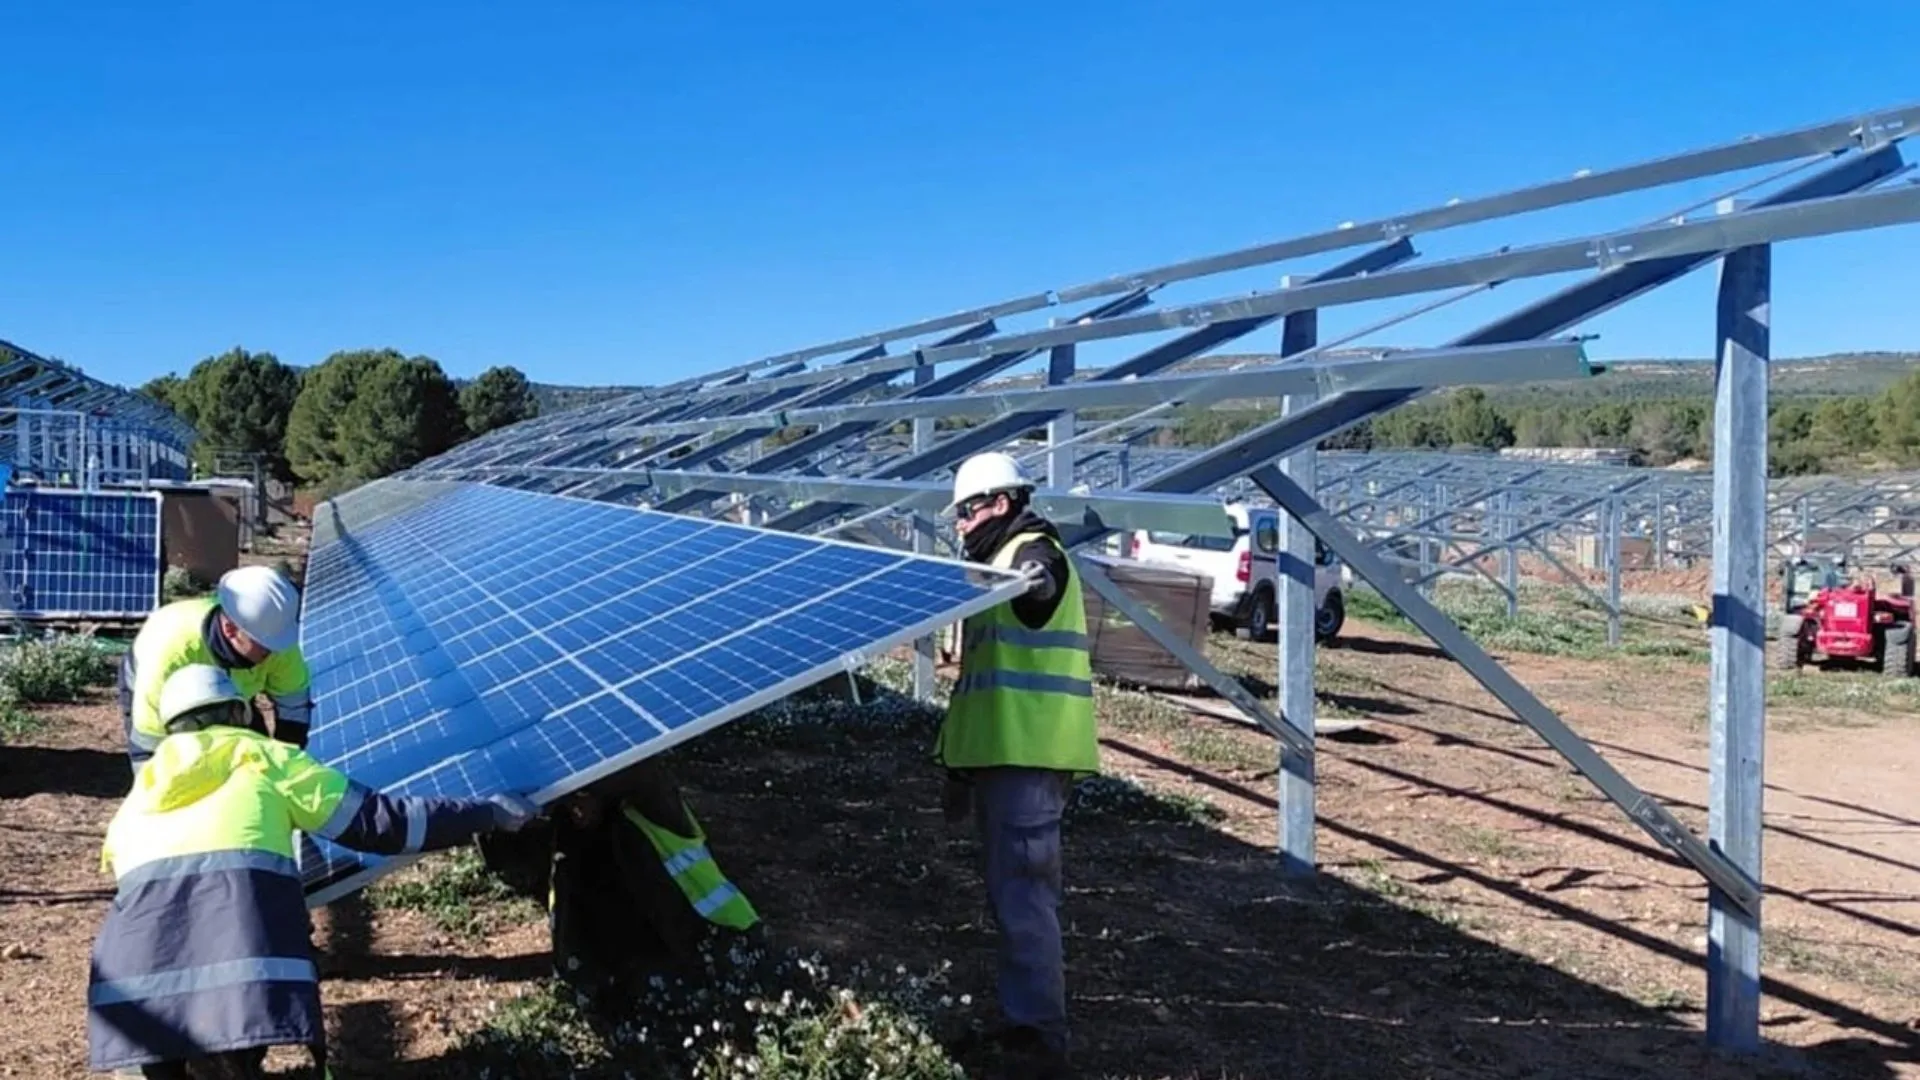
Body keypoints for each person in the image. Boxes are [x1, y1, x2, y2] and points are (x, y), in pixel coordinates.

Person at [87, 664, 542, 1079]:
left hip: (134, 983)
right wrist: (486, 815)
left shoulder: (139, 797)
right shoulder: (264, 759)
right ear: (240, 711)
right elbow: (379, 821)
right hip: (237, 969)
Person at [935, 451, 1099, 1080]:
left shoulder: (1031, 551)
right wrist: (956, 767)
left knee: (1025, 900)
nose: (960, 525)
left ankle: (1039, 1043)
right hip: (999, 758)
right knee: (1012, 898)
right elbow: (981, 680)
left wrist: (1035, 574)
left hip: (1030, 758)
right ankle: (1023, 1025)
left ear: (1000, 504)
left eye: (968, 510)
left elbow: (1043, 585)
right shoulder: (990, 564)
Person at [544, 760, 761, 1007]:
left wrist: (589, 792)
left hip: (720, 936)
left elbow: (641, 770)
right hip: (635, 974)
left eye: (582, 796)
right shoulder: (568, 838)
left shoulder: (656, 803)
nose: (579, 809)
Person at [118, 565, 313, 772]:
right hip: (163, 694)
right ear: (230, 629)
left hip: (233, 693)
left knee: (251, 761)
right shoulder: (169, 653)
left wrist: (285, 771)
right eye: (265, 645)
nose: (273, 653)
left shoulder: (277, 643)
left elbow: (294, 714)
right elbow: (149, 748)